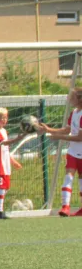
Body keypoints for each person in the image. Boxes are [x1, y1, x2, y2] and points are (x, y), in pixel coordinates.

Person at [39, 88, 82, 217]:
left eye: (72, 97)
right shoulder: (74, 113)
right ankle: (65, 207)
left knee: (81, 181)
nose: (69, 99)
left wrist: (60, 138)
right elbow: (66, 130)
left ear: (79, 99)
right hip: (73, 152)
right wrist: (49, 129)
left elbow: (80, 137)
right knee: (68, 176)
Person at [0, 108, 24, 219]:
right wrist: (17, 139)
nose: (4, 120)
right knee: (1, 187)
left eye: (5, 117)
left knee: (6, 187)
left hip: (5, 163)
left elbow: (6, 149)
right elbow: (4, 143)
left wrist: (12, 161)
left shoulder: (4, 131)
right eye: (1, 118)